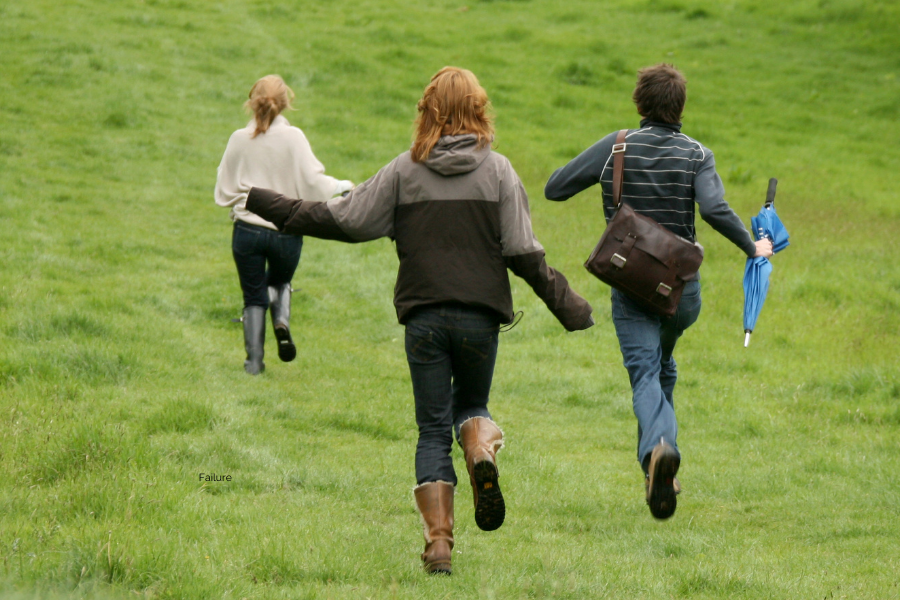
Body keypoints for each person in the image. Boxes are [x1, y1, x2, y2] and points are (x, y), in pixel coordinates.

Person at [243, 67, 594, 574]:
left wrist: (264, 202)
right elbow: (522, 251)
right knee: (471, 405)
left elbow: (342, 220)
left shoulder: (405, 172)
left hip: (424, 321)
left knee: (431, 430)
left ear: (427, 111)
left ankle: (439, 545)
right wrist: (570, 305)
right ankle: (478, 445)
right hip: (479, 321)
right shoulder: (499, 172)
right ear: (479, 110)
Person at [544, 64, 773, 520]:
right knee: (663, 364)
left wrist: (611, 192)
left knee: (646, 373)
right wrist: (753, 247)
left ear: (639, 103)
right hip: (680, 294)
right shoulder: (697, 154)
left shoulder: (618, 146)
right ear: (681, 107)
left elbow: (554, 188)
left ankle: (658, 451)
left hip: (630, 284)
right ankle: (658, 464)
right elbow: (713, 208)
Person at [215, 75, 353, 375]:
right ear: (287, 102)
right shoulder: (294, 138)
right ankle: (282, 322)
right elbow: (314, 183)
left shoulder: (239, 138)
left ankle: (253, 363)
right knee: (278, 282)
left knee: (253, 296)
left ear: (252, 102)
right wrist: (343, 185)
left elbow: (224, 187)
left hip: (247, 232)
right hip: (286, 232)